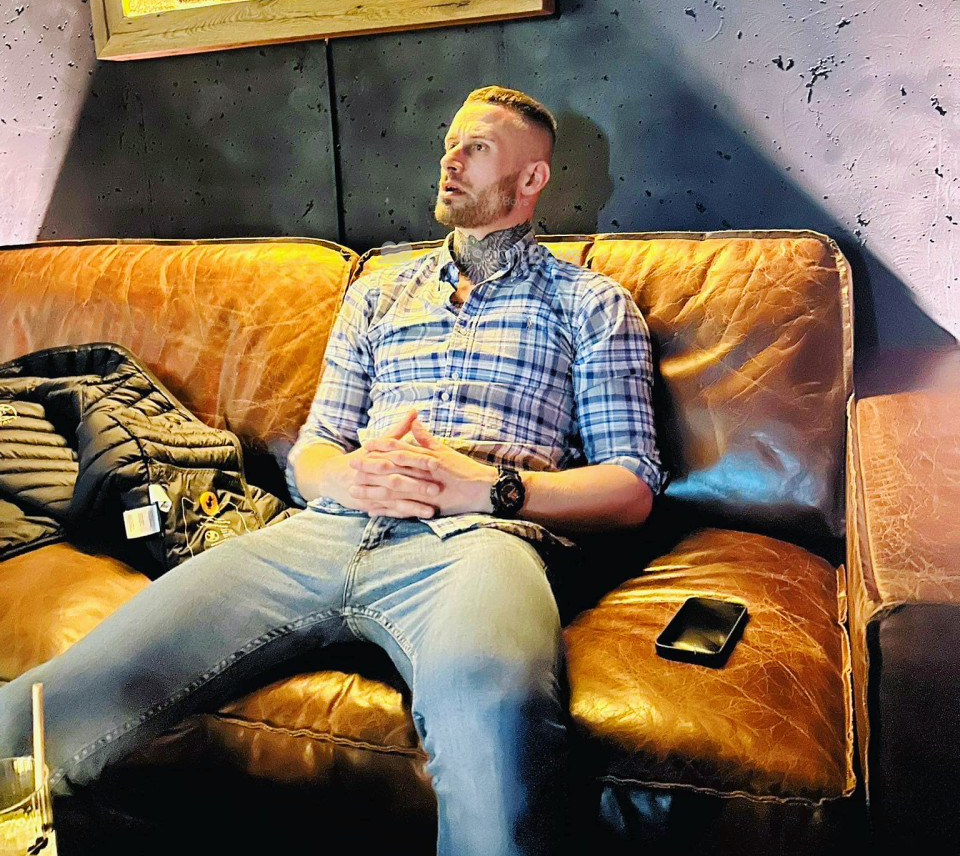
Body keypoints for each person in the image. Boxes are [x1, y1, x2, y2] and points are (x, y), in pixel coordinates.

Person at [0, 85, 664, 856]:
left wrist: (483, 486)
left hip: (477, 541)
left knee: (493, 716)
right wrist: (341, 477)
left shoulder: (592, 305)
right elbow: (314, 451)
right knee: (34, 714)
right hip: (323, 531)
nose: (450, 159)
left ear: (532, 178)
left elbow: (632, 486)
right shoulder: (379, 294)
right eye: (449, 143)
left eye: (476, 147)